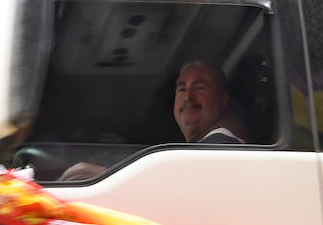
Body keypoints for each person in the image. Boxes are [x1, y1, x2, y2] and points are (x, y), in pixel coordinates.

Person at [60, 59, 245, 180]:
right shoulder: (201, 149)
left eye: (200, 87)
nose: (188, 97)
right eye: (181, 89)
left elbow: (184, 183)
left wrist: (104, 177)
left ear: (223, 99)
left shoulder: (224, 143)